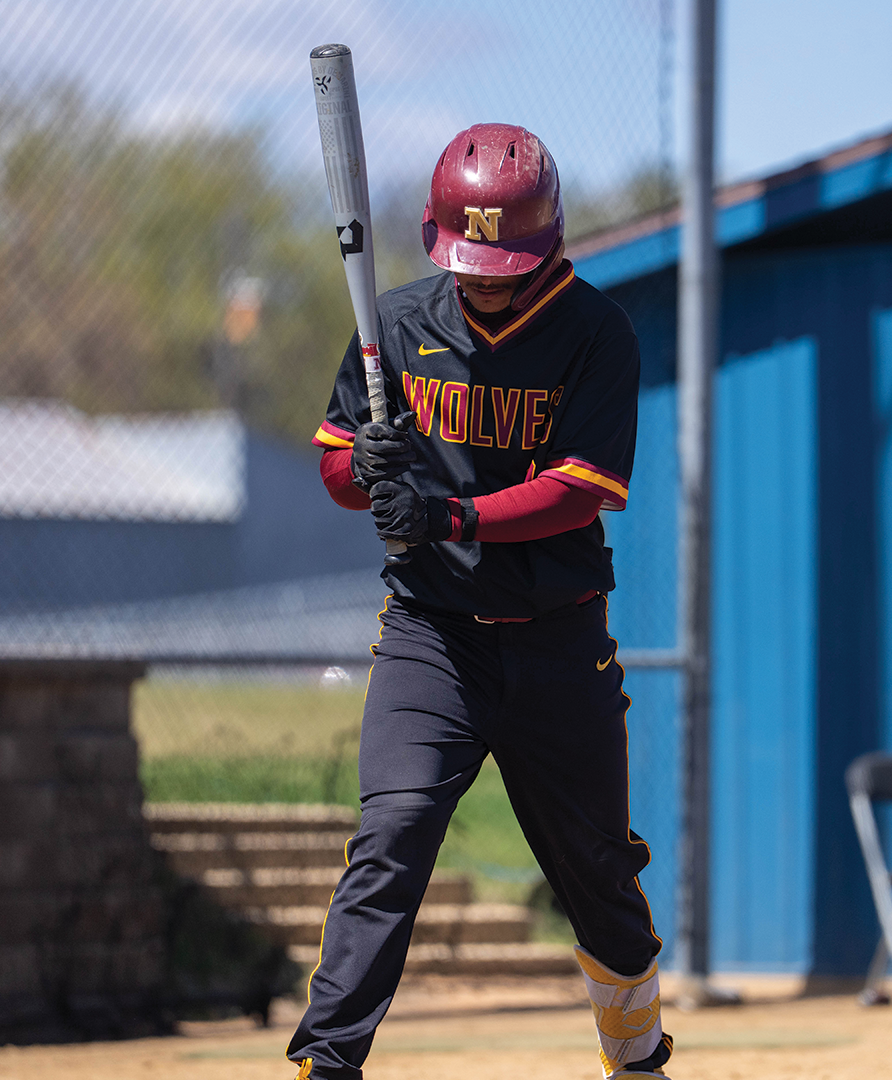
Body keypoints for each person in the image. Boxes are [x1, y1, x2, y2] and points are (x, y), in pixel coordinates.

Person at [287, 123, 671, 1080]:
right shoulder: (396, 324)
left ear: (550, 242)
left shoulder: (596, 333)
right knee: (391, 834)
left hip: (556, 640)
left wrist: (448, 514)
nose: (483, 283)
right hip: (434, 638)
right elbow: (337, 472)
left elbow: (579, 489)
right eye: (469, 265)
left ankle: (637, 1057)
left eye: (503, 267)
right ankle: (326, 1064)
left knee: (597, 868)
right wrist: (363, 464)